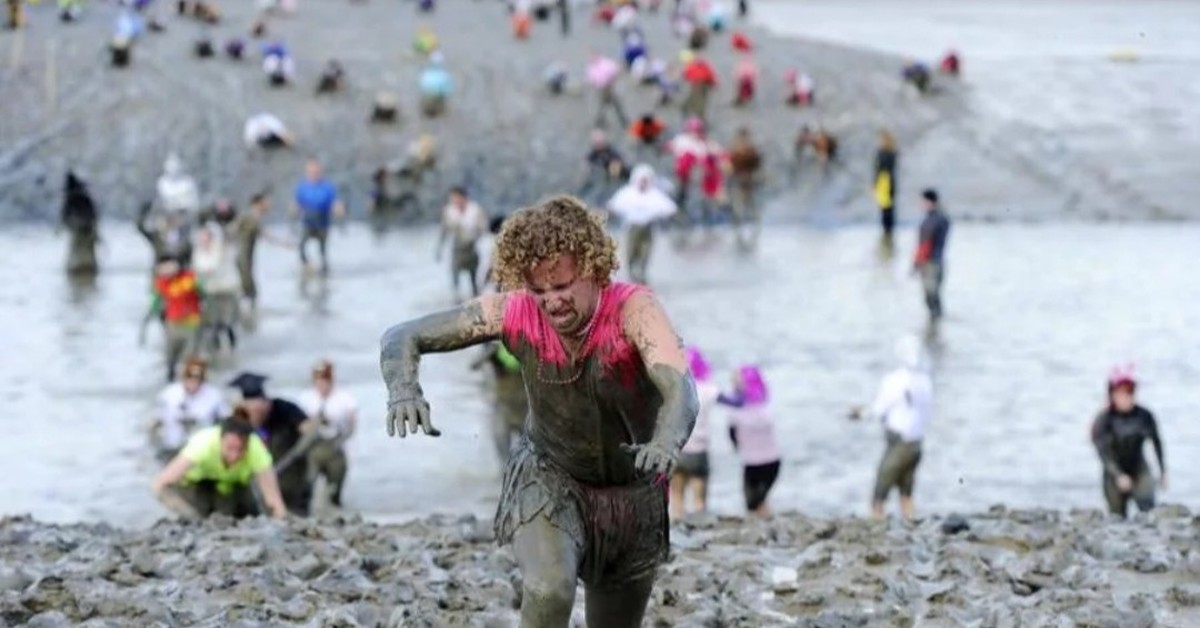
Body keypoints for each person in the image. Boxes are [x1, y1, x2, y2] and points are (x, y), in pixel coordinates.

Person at [379, 195, 699, 627]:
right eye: (539, 290)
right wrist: (404, 390)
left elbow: (680, 388)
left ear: (595, 269)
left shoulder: (636, 310)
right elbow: (403, 335)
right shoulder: (513, 310)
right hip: (550, 475)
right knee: (549, 590)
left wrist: (666, 441)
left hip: (634, 493)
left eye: (563, 286)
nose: (552, 302)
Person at [152, 414, 288, 519]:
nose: (234, 456)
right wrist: (188, 515)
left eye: (240, 450)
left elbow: (274, 499)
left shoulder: (257, 449)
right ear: (220, 440)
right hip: (198, 485)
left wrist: (283, 523)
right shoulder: (203, 443)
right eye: (230, 448)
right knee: (200, 512)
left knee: (242, 512)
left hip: (232, 487)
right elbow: (160, 484)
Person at [229, 371, 316, 515]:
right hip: (258, 478)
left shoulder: (285, 409)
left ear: (267, 403)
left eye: (258, 411)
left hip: (290, 478)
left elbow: (309, 429)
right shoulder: (239, 418)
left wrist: (312, 430)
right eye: (250, 413)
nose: (255, 417)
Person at [866, 334, 932, 521]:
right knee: (906, 492)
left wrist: (860, 414)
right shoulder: (925, 381)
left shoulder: (894, 380)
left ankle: (877, 523)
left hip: (898, 442)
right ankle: (910, 524)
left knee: (879, 493)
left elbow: (879, 410)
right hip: (916, 443)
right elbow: (928, 412)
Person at [1091, 365, 1166, 518]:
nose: (1125, 398)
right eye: (1120, 393)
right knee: (1117, 518)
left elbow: (1157, 442)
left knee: (1149, 511)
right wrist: (1118, 475)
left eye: (1129, 392)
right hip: (1113, 472)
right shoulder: (1104, 420)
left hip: (1139, 469)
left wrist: (1163, 471)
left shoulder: (1145, 416)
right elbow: (1102, 453)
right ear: (1112, 395)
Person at [718, 365, 779, 517]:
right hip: (761, 461)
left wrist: (736, 446)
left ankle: (762, 524)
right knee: (758, 501)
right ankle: (766, 523)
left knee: (753, 503)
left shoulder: (738, 409)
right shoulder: (766, 405)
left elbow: (732, 434)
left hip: (764, 461)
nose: (734, 382)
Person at [296, 360, 357, 508]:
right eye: (318, 381)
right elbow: (299, 426)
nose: (322, 385)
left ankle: (334, 509)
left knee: (335, 488)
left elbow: (352, 424)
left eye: (325, 381)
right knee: (306, 486)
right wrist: (315, 423)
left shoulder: (344, 398)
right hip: (313, 449)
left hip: (335, 447)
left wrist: (339, 428)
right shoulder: (305, 398)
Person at [605, 164, 677, 285]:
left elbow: (669, 208)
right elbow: (613, 206)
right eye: (641, 180)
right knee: (631, 251)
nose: (643, 183)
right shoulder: (627, 193)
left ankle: (642, 272)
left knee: (645, 252)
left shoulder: (654, 194)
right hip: (633, 227)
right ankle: (631, 273)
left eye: (646, 180)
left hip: (647, 228)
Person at [670, 346, 719, 519]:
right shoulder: (708, 390)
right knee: (699, 501)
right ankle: (699, 528)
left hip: (677, 450)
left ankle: (679, 528)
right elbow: (736, 402)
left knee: (677, 498)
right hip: (698, 453)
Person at [151, 356, 231, 462]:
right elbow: (155, 421)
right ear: (183, 377)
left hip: (201, 450)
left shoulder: (215, 396)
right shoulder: (169, 393)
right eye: (189, 376)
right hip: (172, 448)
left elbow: (227, 421)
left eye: (198, 378)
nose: (193, 382)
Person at [471, 341, 529, 467]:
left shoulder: (527, 348)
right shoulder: (495, 352)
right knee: (504, 460)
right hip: (503, 409)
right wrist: (490, 351)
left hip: (525, 410)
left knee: (529, 456)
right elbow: (474, 365)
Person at [192, 210, 241, 355]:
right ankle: (216, 348)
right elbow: (200, 266)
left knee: (227, 321)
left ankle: (228, 347)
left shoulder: (223, 247)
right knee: (213, 321)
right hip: (212, 289)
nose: (204, 239)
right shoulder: (200, 250)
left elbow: (211, 265)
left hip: (227, 287)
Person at [291, 159, 345, 275]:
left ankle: (324, 271)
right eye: (311, 171)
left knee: (322, 249)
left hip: (322, 221)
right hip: (308, 221)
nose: (314, 174)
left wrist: (338, 209)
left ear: (320, 172)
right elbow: (297, 202)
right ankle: (306, 265)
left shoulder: (327, 187)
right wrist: (293, 211)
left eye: (316, 171)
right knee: (301, 245)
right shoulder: (303, 187)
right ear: (307, 172)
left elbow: (335, 202)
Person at [153, 256, 202, 382]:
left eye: (170, 266)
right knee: (170, 354)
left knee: (190, 355)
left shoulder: (189, 277)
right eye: (164, 267)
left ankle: (189, 380)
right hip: (172, 322)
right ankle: (171, 378)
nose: (167, 269)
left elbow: (198, 289)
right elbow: (157, 299)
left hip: (191, 322)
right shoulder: (161, 282)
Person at [437, 186, 489, 299]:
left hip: (471, 249)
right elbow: (444, 231)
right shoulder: (449, 212)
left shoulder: (475, 210)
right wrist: (439, 249)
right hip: (457, 249)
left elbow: (483, 229)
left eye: (456, 198)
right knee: (455, 277)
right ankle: (456, 299)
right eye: (452, 199)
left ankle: (475, 297)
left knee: (473, 279)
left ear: (464, 198)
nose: (455, 201)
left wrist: (474, 236)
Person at [913, 188, 950, 322]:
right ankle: (936, 324)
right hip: (937, 262)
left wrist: (916, 263)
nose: (921, 204)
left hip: (931, 263)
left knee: (931, 295)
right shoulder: (941, 218)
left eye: (923, 201)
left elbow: (925, 244)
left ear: (929, 202)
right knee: (933, 296)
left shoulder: (932, 220)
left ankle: (934, 324)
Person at [60, 171, 100, 276]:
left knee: (79, 253)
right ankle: (88, 269)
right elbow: (94, 216)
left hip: (80, 231)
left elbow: (65, 217)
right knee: (87, 254)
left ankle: (80, 270)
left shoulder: (71, 200)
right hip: (86, 230)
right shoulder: (85, 198)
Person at [578, 129, 629, 208]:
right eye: (595, 142)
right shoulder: (594, 152)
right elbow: (587, 162)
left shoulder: (612, 152)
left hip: (619, 179)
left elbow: (615, 172)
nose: (597, 145)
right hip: (603, 178)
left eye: (599, 142)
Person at [727, 127, 762, 237]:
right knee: (738, 204)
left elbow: (756, 164)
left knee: (750, 203)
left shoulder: (751, 150)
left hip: (748, 180)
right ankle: (738, 225)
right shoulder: (735, 150)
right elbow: (729, 165)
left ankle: (754, 224)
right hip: (738, 180)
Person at [587, 52, 627, 129]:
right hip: (601, 89)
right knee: (602, 106)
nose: (592, 59)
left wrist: (612, 80)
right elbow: (592, 80)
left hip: (609, 87)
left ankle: (623, 121)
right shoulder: (591, 68)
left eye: (594, 57)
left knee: (616, 105)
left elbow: (616, 71)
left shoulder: (606, 63)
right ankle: (599, 122)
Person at [156, 153, 200, 217]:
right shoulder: (162, 183)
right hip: (168, 215)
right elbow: (162, 201)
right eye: (171, 168)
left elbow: (194, 202)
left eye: (175, 168)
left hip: (186, 214)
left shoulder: (188, 182)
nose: (173, 171)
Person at [874, 131, 899, 239]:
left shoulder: (889, 153)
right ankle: (886, 226)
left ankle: (888, 227)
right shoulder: (885, 152)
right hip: (884, 179)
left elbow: (882, 168)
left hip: (886, 180)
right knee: (884, 205)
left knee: (888, 206)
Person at [418, 52, 453, 117]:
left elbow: (421, 87)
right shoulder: (444, 76)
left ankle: (428, 107)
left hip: (427, 100)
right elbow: (448, 91)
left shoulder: (425, 74)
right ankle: (438, 109)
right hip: (437, 100)